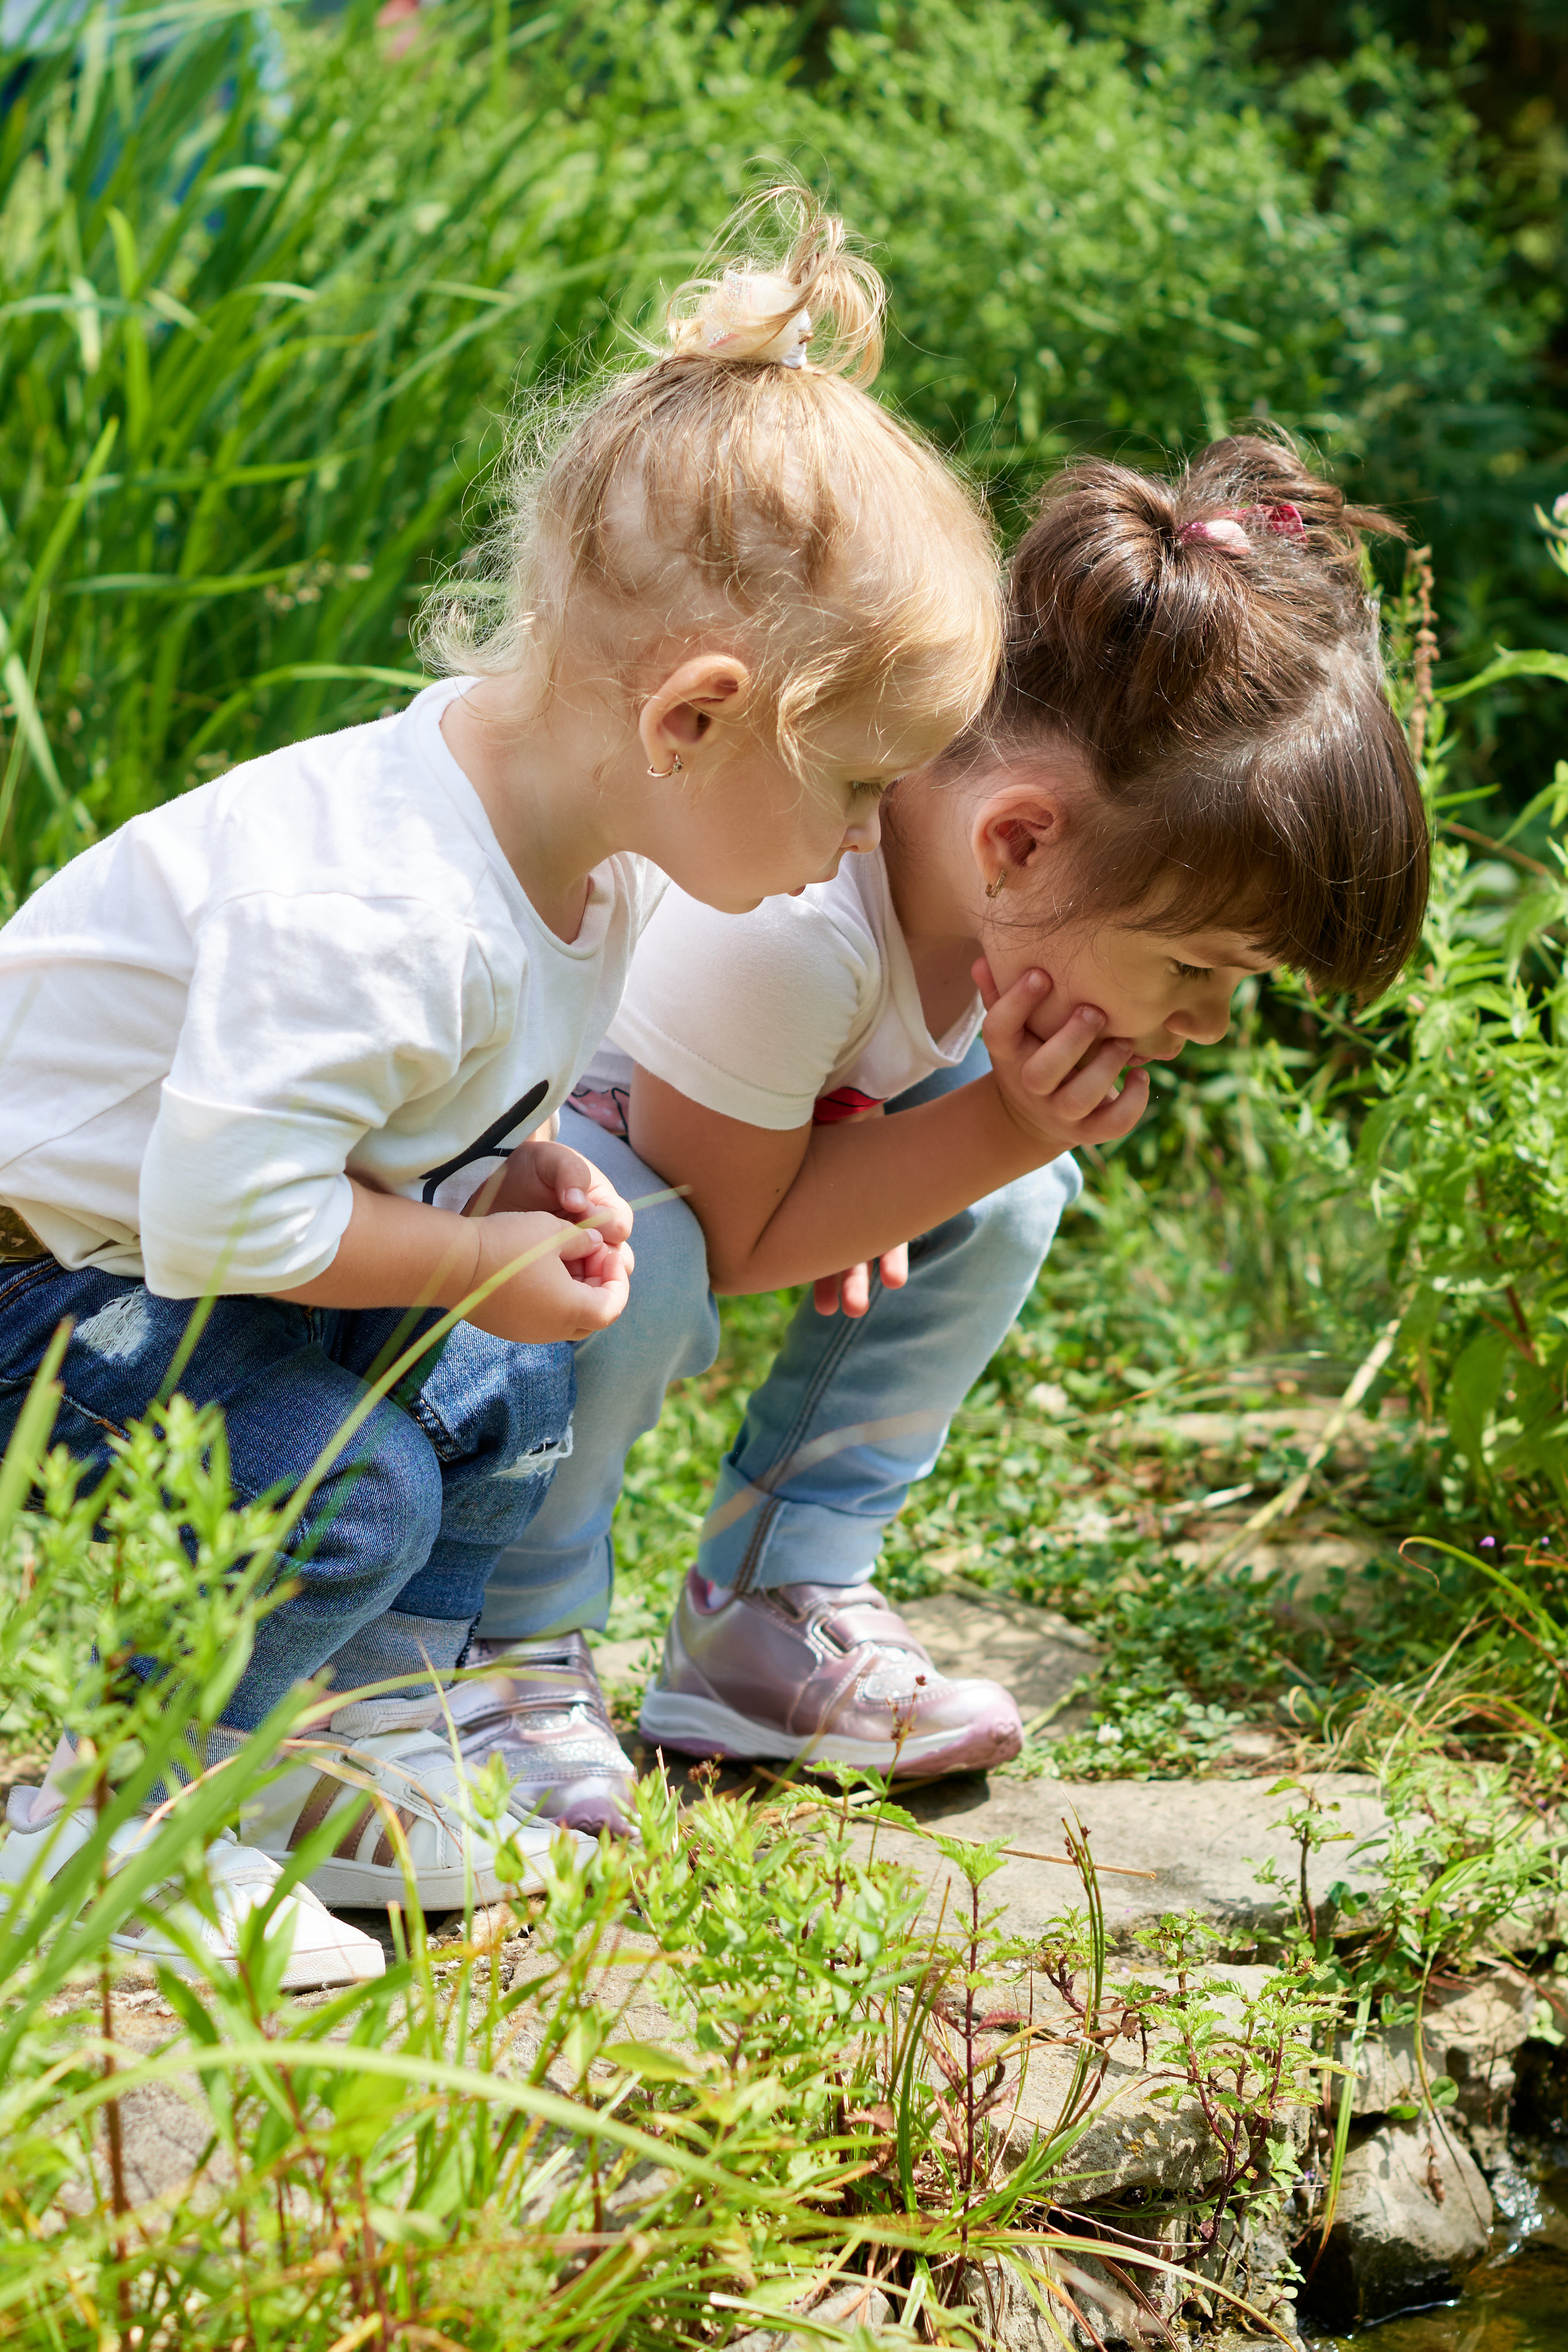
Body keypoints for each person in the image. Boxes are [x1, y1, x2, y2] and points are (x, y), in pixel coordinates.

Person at [0, 190, 1005, 1984]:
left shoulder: (588, 867)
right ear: (692, 720)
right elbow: (226, 1214)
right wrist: (466, 1258)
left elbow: (387, 1128)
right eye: (858, 787)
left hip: (143, 1262)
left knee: (506, 1378)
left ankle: (345, 1740)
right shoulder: (381, 904)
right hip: (34, 1289)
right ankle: (106, 1816)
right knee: (349, 1483)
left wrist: (498, 1188)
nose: (868, 842)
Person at [448, 436, 1431, 1834]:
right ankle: (499, 1641)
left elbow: (849, 1143)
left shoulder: (972, 884)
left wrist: (948, 1151)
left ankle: (767, 1604)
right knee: (633, 1261)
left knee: (1004, 1202)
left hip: (696, 1145)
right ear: (1016, 844)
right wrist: (1007, 1121)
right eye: (1195, 968)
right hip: (476, 1194)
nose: (1209, 1023)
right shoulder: (791, 921)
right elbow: (735, 1240)